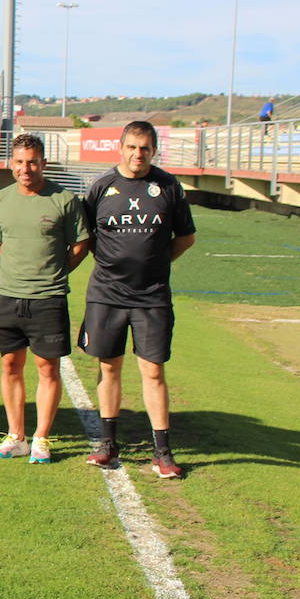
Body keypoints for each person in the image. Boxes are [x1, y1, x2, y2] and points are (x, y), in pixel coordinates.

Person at [78, 121, 196, 479]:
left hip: (152, 296)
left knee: (153, 371)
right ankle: (108, 446)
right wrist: (115, 265)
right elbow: (89, 238)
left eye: (145, 148)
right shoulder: (101, 187)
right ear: (121, 147)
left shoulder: (168, 186)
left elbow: (185, 237)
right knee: (108, 367)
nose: (137, 154)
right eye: (132, 146)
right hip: (107, 294)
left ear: (154, 150)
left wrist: (156, 264)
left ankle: (162, 452)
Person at [0, 134, 90, 464]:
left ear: (43, 163)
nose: (25, 168)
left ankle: (42, 438)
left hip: (48, 298)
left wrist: (53, 273)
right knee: (10, 365)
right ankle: (16, 437)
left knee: (47, 368)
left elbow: (80, 246)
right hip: (6, 296)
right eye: (19, 162)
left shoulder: (65, 199)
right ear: (10, 164)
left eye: (32, 162)